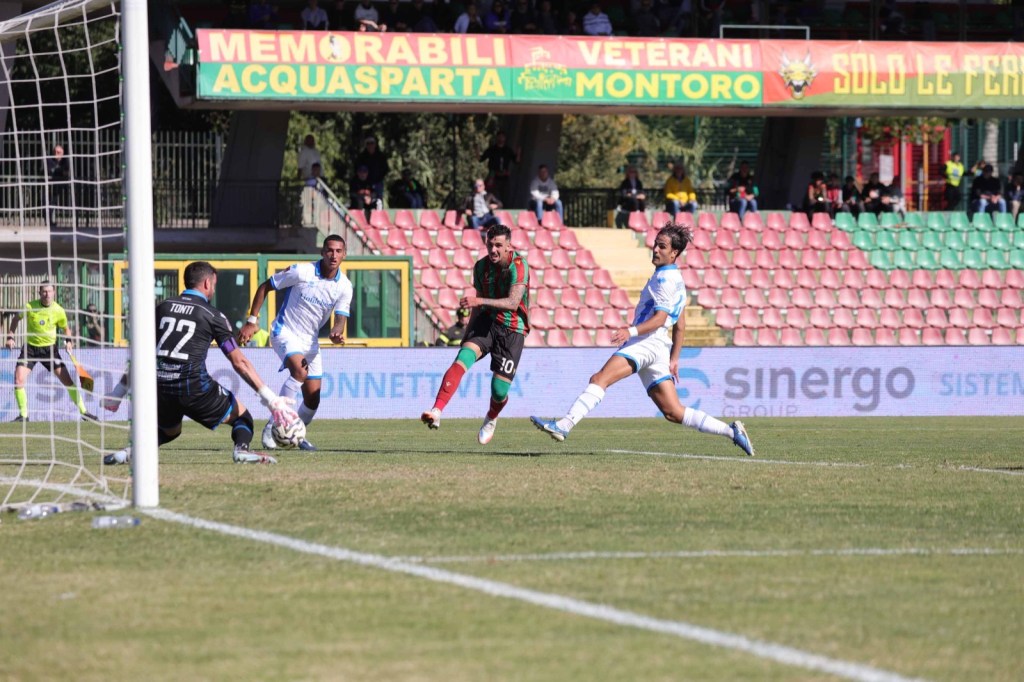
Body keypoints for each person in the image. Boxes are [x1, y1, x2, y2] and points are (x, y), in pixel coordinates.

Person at [530, 223, 754, 457]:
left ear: (674, 253)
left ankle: (564, 425)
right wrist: (674, 358)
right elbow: (680, 324)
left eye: (662, 246)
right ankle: (731, 431)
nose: (655, 249)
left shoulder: (664, 280)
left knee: (600, 379)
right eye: (656, 243)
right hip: (659, 347)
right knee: (673, 412)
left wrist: (631, 331)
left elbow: (660, 319)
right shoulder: (676, 278)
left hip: (646, 341)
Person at [102, 262, 299, 466]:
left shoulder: (163, 307)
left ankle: (130, 451)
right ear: (207, 283)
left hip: (160, 385)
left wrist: (118, 393)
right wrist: (270, 399)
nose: (213, 288)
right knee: (243, 418)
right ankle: (241, 451)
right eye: (214, 284)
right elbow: (239, 362)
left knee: (170, 431)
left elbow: (140, 354)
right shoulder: (213, 315)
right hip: (193, 386)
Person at [238, 236, 353, 452]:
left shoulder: (345, 286)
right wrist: (252, 321)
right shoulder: (302, 271)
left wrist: (337, 331)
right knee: (299, 372)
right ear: (322, 252)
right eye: (330, 250)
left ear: (344, 254)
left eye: (338, 251)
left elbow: (340, 317)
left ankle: (295, 435)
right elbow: (266, 286)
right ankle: (274, 425)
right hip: (285, 332)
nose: (334, 255)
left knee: (313, 399)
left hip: (310, 342)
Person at [421, 223, 530, 445]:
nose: (493, 250)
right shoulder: (481, 267)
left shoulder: (519, 265)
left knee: (499, 391)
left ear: (509, 246)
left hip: (512, 329)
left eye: (498, 245)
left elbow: (512, 302)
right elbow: (478, 307)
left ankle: (491, 417)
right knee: (463, 358)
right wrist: (468, 334)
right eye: (490, 244)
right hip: (487, 322)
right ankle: (437, 411)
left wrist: (478, 300)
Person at [6, 281, 96, 422]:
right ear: (39, 293)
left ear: (54, 292)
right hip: (30, 349)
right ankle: (23, 415)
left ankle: (84, 412)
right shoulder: (30, 307)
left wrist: (69, 341)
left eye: (49, 291)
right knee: (18, 379)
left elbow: (65, 328)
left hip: (50, 351)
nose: (47, 294)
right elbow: (16, 319)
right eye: (44, 292)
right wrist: (10, 336)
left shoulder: (59, 310)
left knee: (67, 381)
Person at [479, 131, 520, 204]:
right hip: (493, 175)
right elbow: (481, 159)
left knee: (505, 193)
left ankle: (503, 208)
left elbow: (516, 161)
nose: (501, 139)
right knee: (491, 192)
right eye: (499, 137)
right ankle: (490, 206)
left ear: (505, 138)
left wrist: (519, 152)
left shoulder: (508, 150)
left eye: (502, 137)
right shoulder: (492, 149)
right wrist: (476, 150)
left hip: (504, 175)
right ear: (497, 138)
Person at [46, 144, 70, 227]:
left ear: (62, 153)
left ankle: (51, 221)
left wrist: (57, 170)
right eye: (55, 152)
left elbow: (65, 172)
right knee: (49, 204)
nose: (56, 153)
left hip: (59, 186)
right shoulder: (49, 160)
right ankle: (49, 221)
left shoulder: (65, 161)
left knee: (53, 204)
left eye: (58, 152)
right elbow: (49, 170)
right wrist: (58, 170)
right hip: (50, 186)